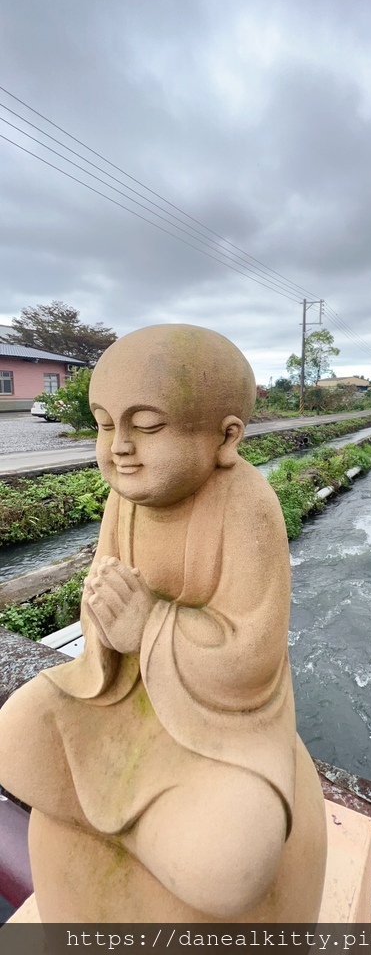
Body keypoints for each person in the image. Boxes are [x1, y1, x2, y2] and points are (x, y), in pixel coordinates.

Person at [0, 325, 327, 923]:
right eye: (104, 423)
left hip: (221, 725)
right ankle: (146, 830)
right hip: (123, 695)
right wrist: (102, 616)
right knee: (13, 732)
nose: (120, 445)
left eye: (146, 425)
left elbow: (254, 655)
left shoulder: (249, 505)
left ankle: (140, 827)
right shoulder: (122, 498)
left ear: (226, 438)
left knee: (231, 865)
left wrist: (148, 625)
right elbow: (101, 613)